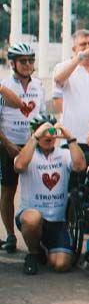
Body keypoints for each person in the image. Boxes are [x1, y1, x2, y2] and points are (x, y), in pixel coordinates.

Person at [13, 114, 86, 274]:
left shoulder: (64, 154)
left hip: (57, 222)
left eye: (51, 131)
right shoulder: (27, 154)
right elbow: (19, 166)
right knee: (33, 219)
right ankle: (33, 253)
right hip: (32, 216)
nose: (48, 135)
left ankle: (43, 246)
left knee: (61, 265)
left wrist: (70, 138)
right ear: (35, 133)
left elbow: (80, 166)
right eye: (43, 131)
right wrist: (34, 138)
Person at [0, 43, 41, 252]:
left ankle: (36, 233)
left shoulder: (38, 86)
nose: (27, 65)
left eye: (30, 61)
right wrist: (7, 145)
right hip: (9, 144)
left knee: (36, 189)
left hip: (32, 144)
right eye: (23, 61)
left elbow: (41, 118)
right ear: (13, 63)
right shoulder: (4, 85)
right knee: (8, 191)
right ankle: (10, 235)